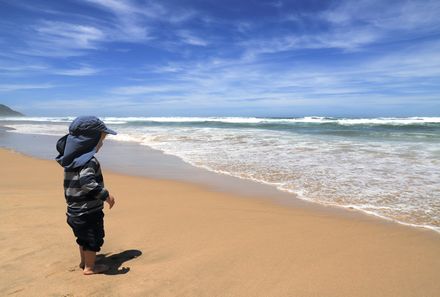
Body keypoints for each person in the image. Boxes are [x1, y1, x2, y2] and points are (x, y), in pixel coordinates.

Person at [55, 116, 117, 275]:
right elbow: (87, 182)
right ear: (89, 141)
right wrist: (106, 195)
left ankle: (84, 262)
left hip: (73, 212)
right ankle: (90, 267)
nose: (101, 145)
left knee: (82, 238)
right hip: (88, 212)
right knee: (93, 239)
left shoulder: (69, 160)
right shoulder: (89, 162)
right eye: (100, 141)